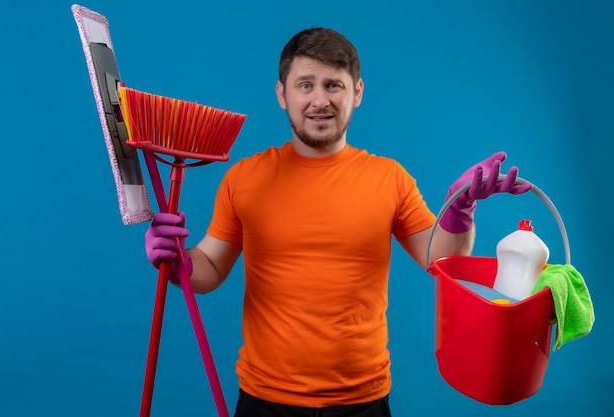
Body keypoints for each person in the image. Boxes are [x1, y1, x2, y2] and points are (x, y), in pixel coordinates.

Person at [144, 27, 531, 417]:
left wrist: (459, 208)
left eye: (334, 85)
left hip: (361, 402)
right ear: (282, 94)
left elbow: (442, 259)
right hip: (265, 400)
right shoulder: (245, 178)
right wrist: (178, 262)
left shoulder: (389, 178)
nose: (319, 100)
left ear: (357, 92)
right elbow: (209, 268)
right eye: (305, 84)